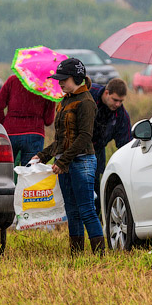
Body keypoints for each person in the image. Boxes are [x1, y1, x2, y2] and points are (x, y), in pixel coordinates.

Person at [30, 58, 104, 254]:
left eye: (64, 79)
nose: (60, 82)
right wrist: (42, 156)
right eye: (59, 79)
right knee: (72, 212)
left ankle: (100, 255)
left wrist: (63, 161)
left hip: (82, 162)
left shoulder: (86, 102)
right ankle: (76, 255)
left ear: (77, 78)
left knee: (87, 210)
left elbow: (84, 137)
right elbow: (62, 140)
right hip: (65, 163)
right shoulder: (64, 101)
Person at [0, 72, 56, 169]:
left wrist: (5, 124)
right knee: (30, 173)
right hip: (34, 134)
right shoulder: (47, 86)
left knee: (5, 171)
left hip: (10, 132)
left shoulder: (13, 80)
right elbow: (48, 121)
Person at [89, 78, 131, 212]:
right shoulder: (89, 94)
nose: (118, 104)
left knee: (95, 188)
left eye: (121, 101)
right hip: (74, 146)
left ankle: (96, 218)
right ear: (106, 93)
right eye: (115, 100)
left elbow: (125, 146)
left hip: (97, 151)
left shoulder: (121, 116)